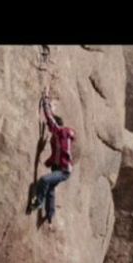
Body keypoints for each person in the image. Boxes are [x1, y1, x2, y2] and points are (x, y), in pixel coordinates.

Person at [30, 92, 75, 223]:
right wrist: (48, 162)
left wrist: (45, 99)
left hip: (64, 171)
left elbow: (49, 117)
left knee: (44, 180)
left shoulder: (62, 132)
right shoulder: (58, 137)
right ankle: (50, 216)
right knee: (50, 189)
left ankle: (38, 202)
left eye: (52, 127)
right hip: (59, 168)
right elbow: (57, 153)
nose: (50, 129)